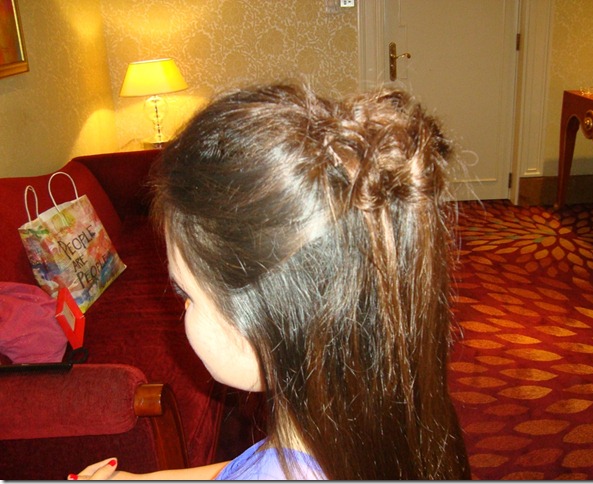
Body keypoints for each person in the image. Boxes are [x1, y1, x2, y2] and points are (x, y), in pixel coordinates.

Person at [69, 82, 470, 480]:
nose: (182, 308)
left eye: (186, 294)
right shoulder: (386, 395)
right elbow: (255, 465)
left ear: (260, 321)